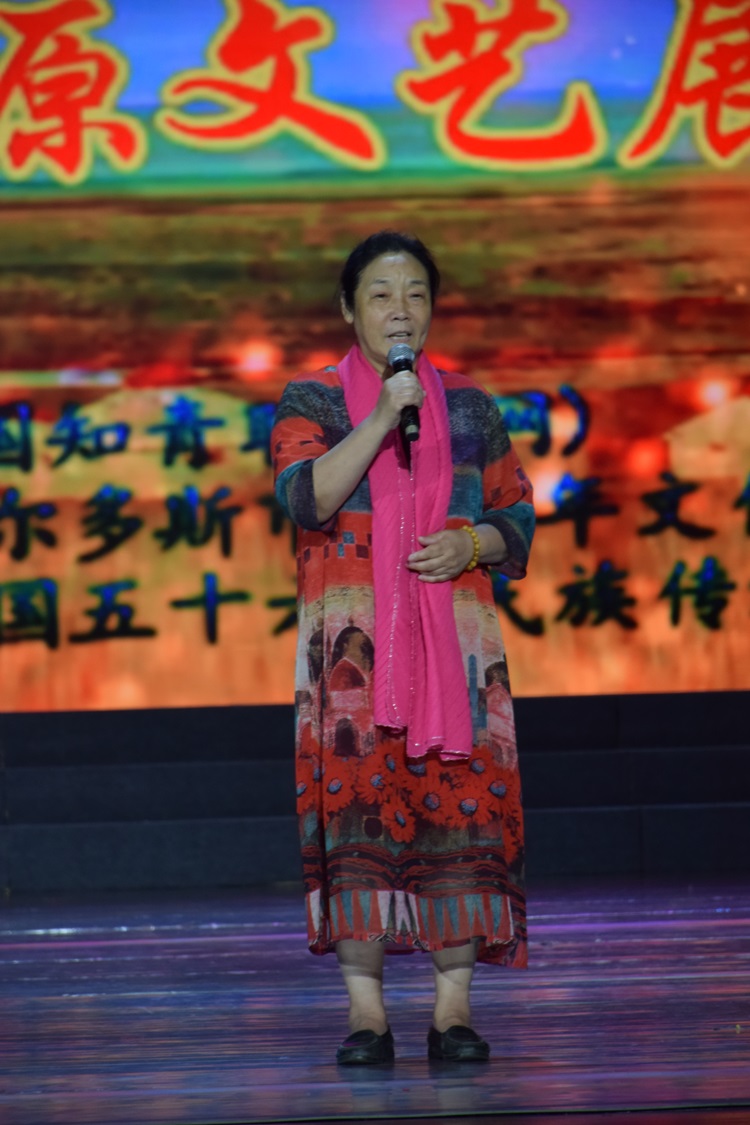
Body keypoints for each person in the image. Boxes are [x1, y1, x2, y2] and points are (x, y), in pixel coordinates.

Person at [271, 231, 535, 1065]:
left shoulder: (470, 406)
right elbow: (306, 497)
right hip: (353, 656)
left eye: (416, 294)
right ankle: (367, 1014)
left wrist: (474, 544)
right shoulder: (312, 400)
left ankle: (454, 1010)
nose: (401, 310)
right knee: (358, 816)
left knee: (460, 810)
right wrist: (384, 414)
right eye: (382, 295)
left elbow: (517, 511)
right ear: (349, 308)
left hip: (457, 653)